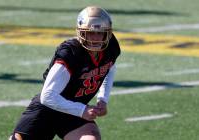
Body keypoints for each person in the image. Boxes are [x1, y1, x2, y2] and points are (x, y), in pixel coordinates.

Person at [9, 6, 121, 140]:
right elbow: (48, 96)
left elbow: (109, 68)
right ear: (81, 32)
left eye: (100, 33)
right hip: (47, 110)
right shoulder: (71, 53)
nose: (95, 38)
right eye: (90, 33)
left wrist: (102, 99)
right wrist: (82, 110)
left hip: (74, 112)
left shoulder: (110, 48)